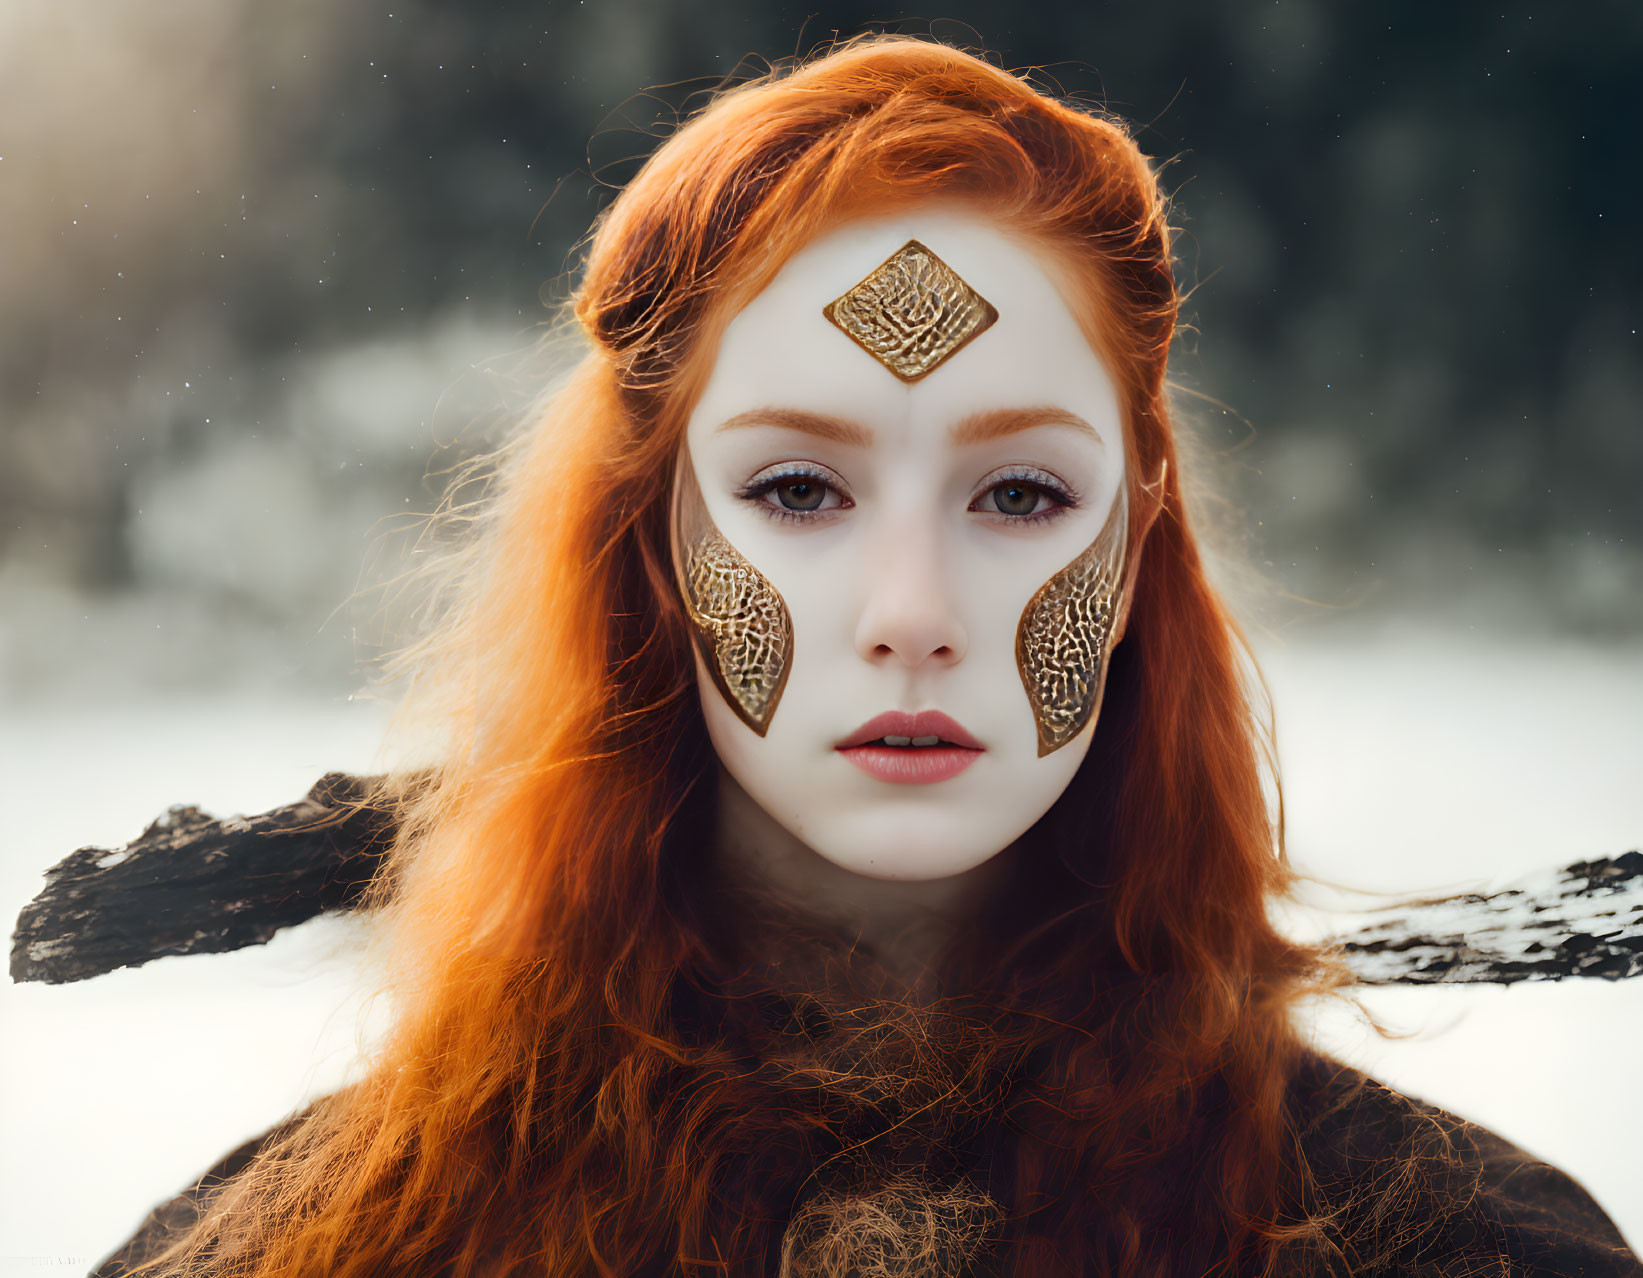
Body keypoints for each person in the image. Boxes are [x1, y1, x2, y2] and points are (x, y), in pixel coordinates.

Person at [93, 35, 1639, 1278]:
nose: (914, 609)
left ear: (1139, 537)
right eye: (798, 490)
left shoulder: (1454, 1244)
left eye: (1020, 492)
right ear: (650, 546)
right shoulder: (326, 1243)